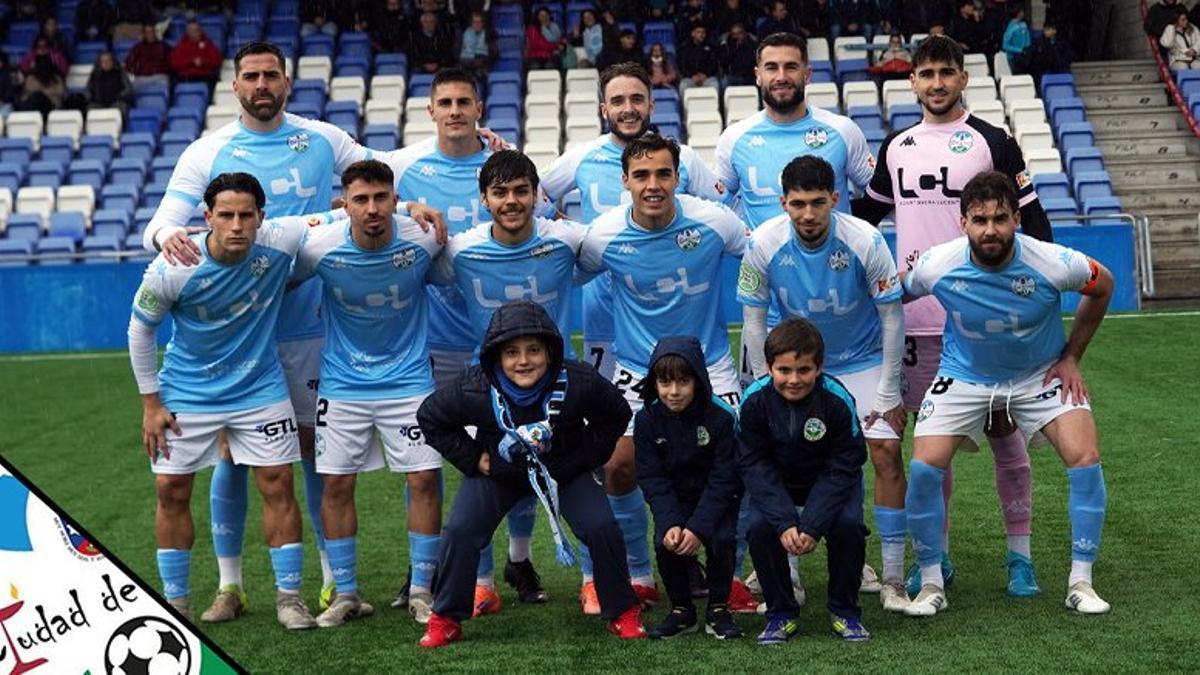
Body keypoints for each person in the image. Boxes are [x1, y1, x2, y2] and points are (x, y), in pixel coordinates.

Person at [141, 41, 441, 626]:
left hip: (307, 328)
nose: (261, 85)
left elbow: (380, 172)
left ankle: (333, 581)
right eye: (250, 76)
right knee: (228, 459)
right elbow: (162, 221)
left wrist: (468, 154)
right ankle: (230, 587)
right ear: (236, 86)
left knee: (306, 453)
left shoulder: (323, 139)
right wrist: (162, 241)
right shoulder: (207, 151)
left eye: (270, 76)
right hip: (243, 330)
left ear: (286, 80)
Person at [538, 65, 748, 614]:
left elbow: (763, 261)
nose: (653, 185)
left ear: (678, 176)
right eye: (642, 176)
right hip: (634, 367)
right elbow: (562, 268)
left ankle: (735, 574)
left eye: (663, 174)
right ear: (626, 180)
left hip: (712, 366)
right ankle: (636, 573)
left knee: (735, 465)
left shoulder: (716, 224)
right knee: (618, 467)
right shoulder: (602, 234)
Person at [853, 35, 1054, 600]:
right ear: (911, 82)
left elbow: (1035, 228)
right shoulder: (896, 146)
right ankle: (933, 562)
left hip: (985, 321)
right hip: (917, 320)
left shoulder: (993, 141)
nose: (936, 83)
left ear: (963, 78)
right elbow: (865, 221)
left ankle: (1020, 558)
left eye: (946, 72)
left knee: (1005, 436)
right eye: (926, 74)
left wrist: (1030, 308)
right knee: (929, 448)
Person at [900, 171, 1113, 617]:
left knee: (1085, 458)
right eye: (979, 220)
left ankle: (1081, 581)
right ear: (963, 223)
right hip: (965, 374)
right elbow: (892, 292)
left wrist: (1072, 356)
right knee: (923, 468)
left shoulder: (1053, 261)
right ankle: (932, 583)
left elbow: (1103, 284)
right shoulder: (938, 264)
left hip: (1038, 374)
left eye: (1000, 218)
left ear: (1018, 218)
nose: (990, 229)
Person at [128, 172, 333, 630]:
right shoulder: (172, 266)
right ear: (208, 218)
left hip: (260, 389)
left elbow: (347, 213)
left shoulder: (280, 240)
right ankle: (175, 605)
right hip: (187, 392)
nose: (237, 224)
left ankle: (289, 598)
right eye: (226, 215)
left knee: (278, 483)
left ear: (262, 218)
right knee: (171, 491)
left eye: (246, 215)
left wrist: (408, 210)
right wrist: (150, 403)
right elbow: (140, 330)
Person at [416, 301, 645, 648]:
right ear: (496, 357)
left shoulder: (579, 380)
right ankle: (446, 617)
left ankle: (622, 610)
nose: (523, 361)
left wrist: (584, 458)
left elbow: (616, 413)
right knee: (461, 529)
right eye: (511, 353)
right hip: (500, 472)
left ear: (551, 352)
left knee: (601, 526)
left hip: (563, 471)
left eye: (534, 350)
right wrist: (475, 458)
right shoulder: (476, 385)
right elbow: (430, 416)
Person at [739, 156, 909, 612]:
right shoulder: (761, 242)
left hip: (860, 359)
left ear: (835, 199)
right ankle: (787, 575)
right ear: (783, 203)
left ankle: (892, 576)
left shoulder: (867, 240)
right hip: (793, 366)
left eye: (818, 203)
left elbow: (893, 315)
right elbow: (753, 322)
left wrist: (890, 390)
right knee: (780, 455)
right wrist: (761, 388)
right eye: (798, 204)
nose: (808, 214)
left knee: (887, 451)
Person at [377, 67, 513, 618]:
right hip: (433, 338)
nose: (455, 110)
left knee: (513, 449)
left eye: (464, 101)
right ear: (429, 111)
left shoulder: (504, 163)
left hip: (497, 339)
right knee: (436, 458)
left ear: (479, 106)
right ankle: (433, 567)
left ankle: (518, 561)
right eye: (445, 102)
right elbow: (361, 202)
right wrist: (407, 206)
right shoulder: (404, 167)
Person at [431, 149, 588, 610]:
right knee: (488, 480)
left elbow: (610, 249)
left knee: (573, 479)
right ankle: (482, 584)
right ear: (484, 199)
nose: (512, 201)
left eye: (521, 191)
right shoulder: (461, 250)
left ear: (538, 196)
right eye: (500, 192)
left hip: (558, 386)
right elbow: (420, 268)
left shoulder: (568, 240)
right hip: (493, 390)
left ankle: (589, 579)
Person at [289, 160, 443, 628]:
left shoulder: (425, 239)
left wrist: (425, 209)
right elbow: (276, 273)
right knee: (335, 483)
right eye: (361, 200)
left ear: (396, 201)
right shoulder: (319, 248)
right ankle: (347, 593)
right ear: (345, 205)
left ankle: (421, 589)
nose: (372, 209)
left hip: (410, 381)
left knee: (422, 481)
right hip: (343, 384)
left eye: (381, 198)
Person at [738, 318, 871, 644]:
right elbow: (754, 464)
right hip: (778, 483)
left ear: (819, 366)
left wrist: (811, 524)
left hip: (832, 481)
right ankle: (780, 612)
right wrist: (785, 521)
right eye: (784, 370)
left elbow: (846, 463)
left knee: (848, 525)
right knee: (758, 526)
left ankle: (845, 610)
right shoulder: (754, 401)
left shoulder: (837, 400)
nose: (794, 379)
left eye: (804, 370)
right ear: (769, 368)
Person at [634, 336, 744, 640]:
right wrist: (671, 521)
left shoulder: (721, 417)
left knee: (721, 539)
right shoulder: (645, 420)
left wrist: (697, 528)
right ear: (654, 383)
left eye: (683, 382)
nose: (673, 392)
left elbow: (725, 477)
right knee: (664, 543)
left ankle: (719, 608)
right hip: (675, 500)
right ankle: (682, 610)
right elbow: (652, 478)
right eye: (665, 382)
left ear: (698, 380)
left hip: (717, 498)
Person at [716, 32, 875, 232]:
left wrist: (852, 234)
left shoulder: (843, 130)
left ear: (807, 75)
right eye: (771, 67)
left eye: (791, 67)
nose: (781, 77)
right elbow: (719, 202)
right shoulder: (734, 138)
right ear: (758, 75)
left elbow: (878, 194)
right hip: (763, 263)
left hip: (834, 261)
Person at [16, 39, 67, 119]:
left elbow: (59, 96)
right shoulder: (31, 79)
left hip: (51, 109)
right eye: (41, 66)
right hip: (33, 110)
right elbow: (28, 96)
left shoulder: (57, 80)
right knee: (36, 97)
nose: (44, 68)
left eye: (46, 66)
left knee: (38, 97)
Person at [678, 24, 720, 93]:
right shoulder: (685, 48)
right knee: (683, 85)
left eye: (703, 32)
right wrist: (692, 75)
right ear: (693, 34)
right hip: (691, 78)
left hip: (706, 78)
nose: (701, 35)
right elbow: (682, 65)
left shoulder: (711, 48)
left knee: (714, 84)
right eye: (698, 32)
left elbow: (714, 64)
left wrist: (706, 75)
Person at [457, 11, 496, 81]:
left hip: (482, 64)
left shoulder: (488, 34)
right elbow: (458, 53)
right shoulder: (464, 34)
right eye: (475, 22)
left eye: (479, 22)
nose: (477, 24)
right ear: (471, 23)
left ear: (483, 23)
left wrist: (484, 60)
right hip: (466, 64)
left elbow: (494, 53)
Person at [525, 6, 566, 70]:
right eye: (541, 15)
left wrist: (562, 45)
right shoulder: (532, 29)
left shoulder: (555, 27)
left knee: (552, 65)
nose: (544, 18)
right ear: (537, 17)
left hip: (552, 56)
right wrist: (555, 46)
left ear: (549, 16)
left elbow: (561, 41)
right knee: (537, 66)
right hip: (536, 57)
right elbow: (536, 46)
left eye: (546, 15)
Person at [720, 22, 758, 89]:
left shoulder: (752, 44)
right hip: (733, 75)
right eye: (734, 34)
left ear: (745, 33)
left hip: (749, 76)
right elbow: (724, 62)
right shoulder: (727, 45)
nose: (737, 36)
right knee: (724, 82)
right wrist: (735, 49)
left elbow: (755, 61)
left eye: (739, 33)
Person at [1002, 6, 1032, 72]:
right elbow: (1005, 45)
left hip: (1025, 55)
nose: (1023, 13)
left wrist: (1027, 50)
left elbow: (1028, 39)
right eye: (1022, 12)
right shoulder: (1010, 28)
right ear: (1019, 14)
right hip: (1014, 57)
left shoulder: (1024, 24)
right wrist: (1019, 50)